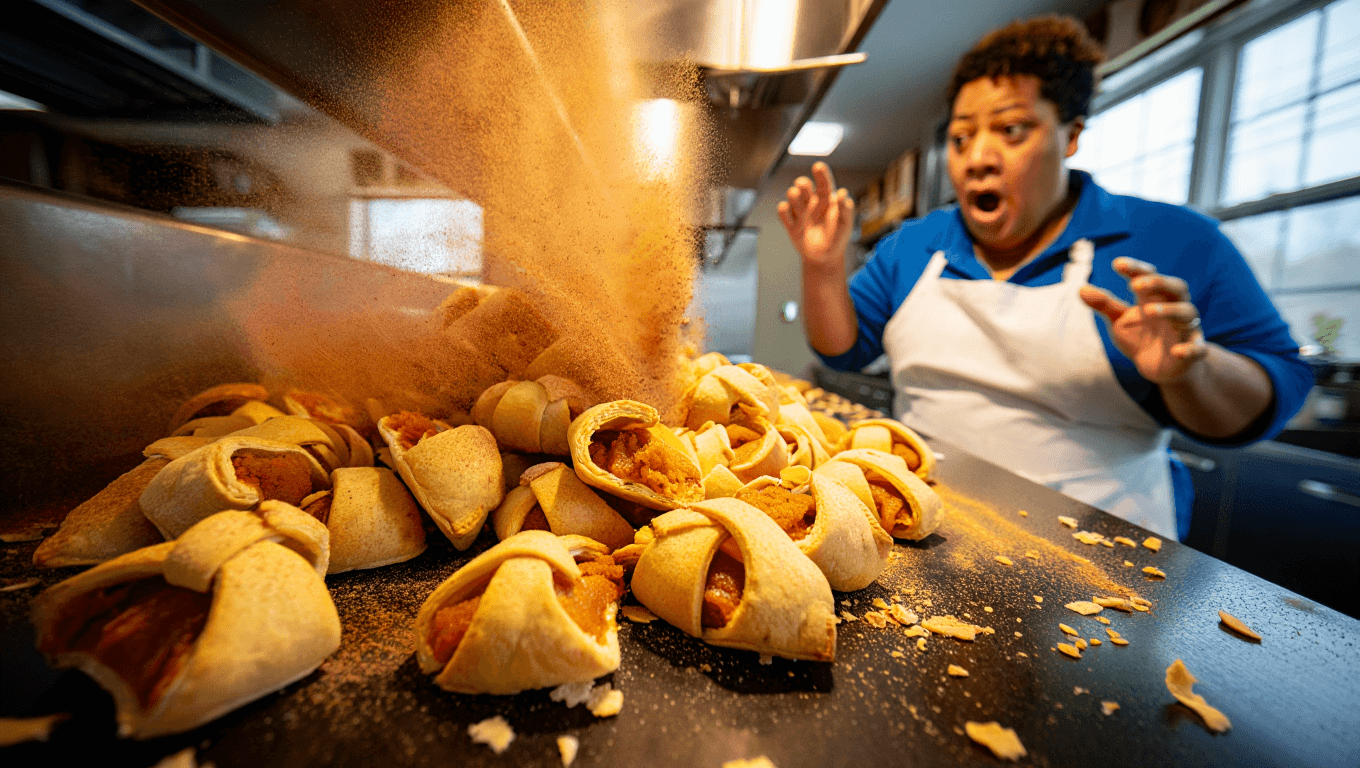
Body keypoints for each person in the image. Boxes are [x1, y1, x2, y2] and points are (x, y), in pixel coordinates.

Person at [778, 15, 1312, 540]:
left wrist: (1191, 372)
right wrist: (822, 268)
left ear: (1071, 134)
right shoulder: (915, 245)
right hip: (922, 526)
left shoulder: (1176, 242)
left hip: (1106, 552)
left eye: (1011, 131)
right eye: (962, 138)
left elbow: (1277, 390)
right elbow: (841, 349)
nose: (977, 159)